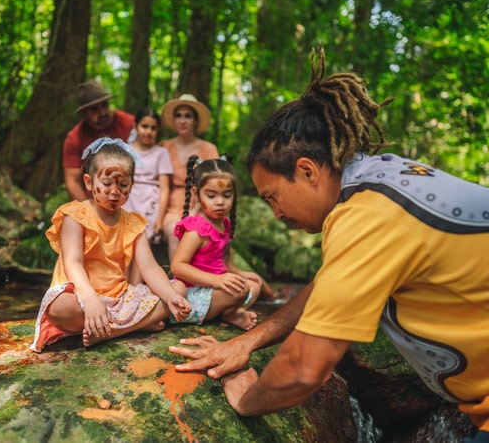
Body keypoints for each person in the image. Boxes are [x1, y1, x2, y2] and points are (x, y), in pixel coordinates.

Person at [168, 45, 489, 442]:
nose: (276, 214)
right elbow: (327, 286)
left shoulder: (365, 218)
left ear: (306, 171)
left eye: (272, 196)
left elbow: (305, 369)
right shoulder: (377, 181)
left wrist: (246, 398)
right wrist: (248, 341)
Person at [30, 138, 191, 352]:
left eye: (123, 185)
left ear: (131, 186)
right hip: (81, 297)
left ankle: (110, 332)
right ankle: (139, 324)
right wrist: (90, 300)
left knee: (178, 288)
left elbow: (150, 267)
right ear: (89, 182)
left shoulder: (134, 223)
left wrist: (171, 297)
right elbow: (73, 261)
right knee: (58, 307)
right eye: (107, 184)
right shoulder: (75, 215)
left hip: (120, 298)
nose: (115, 191)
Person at [170, 155, 262, 330]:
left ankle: (228, 311)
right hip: (195, 295)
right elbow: (177, 267)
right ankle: (230, 313)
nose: (220, 202)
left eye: (227, 195)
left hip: (216, 289)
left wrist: (239, 273)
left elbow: (221, 262)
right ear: (196, 194)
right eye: (211, 196)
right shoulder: (197, 229)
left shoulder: (224, 224)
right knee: (240, 291)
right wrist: (216, 280)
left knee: (254, 285)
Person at [160, 94, 219, 264]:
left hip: (201, 204)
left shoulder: (208, 148)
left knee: (197, 232)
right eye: (178, 116)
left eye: (188, 116)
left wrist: (197, 210)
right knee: (173, 231)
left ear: (195, 120)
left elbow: (214, 183)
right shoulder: (164, 146)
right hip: (171, 207)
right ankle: (176, 281)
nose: (182, 120)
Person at [62, 79, 135, 201]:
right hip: (95, 199)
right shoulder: (75, 138)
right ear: (84, 112)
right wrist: (88, 212)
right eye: (94, 109)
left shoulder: (129, 123)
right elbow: (72, 180)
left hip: (132, 193)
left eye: (104, 105)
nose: (102, 112)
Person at [123, 108, 172, 244]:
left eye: (153, 128)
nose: (148, 131)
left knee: (142, 240)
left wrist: (160, 218)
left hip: (151, 201)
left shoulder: (161, 153)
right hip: (128, 198)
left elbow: (165, 189)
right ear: (136, 126)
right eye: (144, 126)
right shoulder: (126, 150)